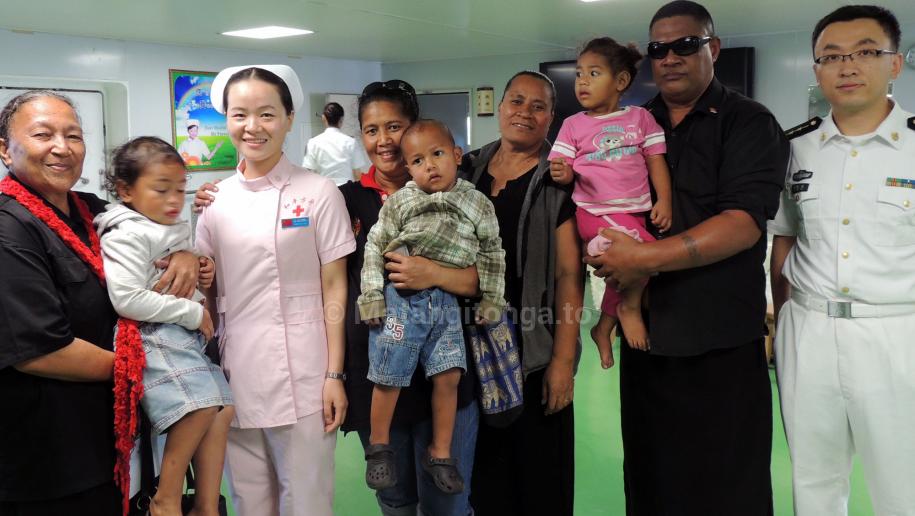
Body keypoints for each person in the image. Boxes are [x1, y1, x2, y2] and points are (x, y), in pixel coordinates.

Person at [584, 2, 789, 514]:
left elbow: (743, 224)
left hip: (720, 340)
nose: (670, 57)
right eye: (659, 49)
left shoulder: (749, 122)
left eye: (685, 45)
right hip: (648, 340)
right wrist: (611, 300)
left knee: (728, 486)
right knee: (652, 482)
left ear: (712, 49)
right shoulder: (631, 122)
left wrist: (643, 260)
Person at [0, 91, 200, 515]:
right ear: (5, 149)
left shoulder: (91, 210)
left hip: (111, 445)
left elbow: (154, 232)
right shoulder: (9, 230)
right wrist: (152, 369)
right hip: (50, 459)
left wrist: (189, 255)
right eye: (43, 134)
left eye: (73, 135)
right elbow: (41, 351)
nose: (62, 147)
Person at [769, 6, 915, 515]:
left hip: (898, 334)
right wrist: (778, 316)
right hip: (808, 331)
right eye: (831, 56)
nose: (848, 66)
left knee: (903, 483)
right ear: (816, 70)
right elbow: (784, 240)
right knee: (814, 479)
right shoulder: (795, 148)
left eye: (866, 52)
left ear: (895, 63)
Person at [194, 65, 354, 516]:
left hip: (304, 371)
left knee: (306, 501)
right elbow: (208, 291)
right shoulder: (214, 200)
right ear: (226, 120)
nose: (252, 127)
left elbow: (334, 285)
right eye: (239, 115)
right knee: (249, 500)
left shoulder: (319, 192)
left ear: (288, 118)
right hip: (235, 371)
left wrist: (334, 375)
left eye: (266, 114)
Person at [358, 119, 505, 495]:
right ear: (408, 168)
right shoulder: (402, 202)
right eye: (418, 160)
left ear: (457, 155)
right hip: (402, 300)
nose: (430, 166)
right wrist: (372, 295)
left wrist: (491, 298)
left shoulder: (476, 202)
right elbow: (375, 247)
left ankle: (440, 452)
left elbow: (491, 253)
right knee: (388, 372)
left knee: (449, 374)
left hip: (447, 304)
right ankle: (379, 446)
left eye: (437, 154)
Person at [462, 70, 583, 516]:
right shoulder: (467, 168)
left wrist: (563, 363)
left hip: (532, 353)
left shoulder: (558, 180)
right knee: (482, 481)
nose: (524, 113)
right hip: (471, 356)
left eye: (538, 106)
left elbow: (571, 276)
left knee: (538, 482)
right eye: (516, 101)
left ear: (552, 117)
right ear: (500, 106)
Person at [96, 136, 235, 516]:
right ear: (126, 190)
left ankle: (206, 504)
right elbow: (126, 299)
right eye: (161, 190)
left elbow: (180, 270)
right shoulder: (127, 232)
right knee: (199, 408)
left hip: (181, 335)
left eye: (180, 189)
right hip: (154, 335)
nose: (175, 200)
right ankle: (167, 497)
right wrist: (190, 312)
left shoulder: (163, 222)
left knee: (223, 409)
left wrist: (199, 262)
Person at [548, 36, 672, 363]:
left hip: (634, 213)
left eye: (593, 73)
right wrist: (563, 173)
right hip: (595, 212)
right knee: (643, 257)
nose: (582, 81)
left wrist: (665, 201)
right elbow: (562, 168)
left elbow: (656, 160)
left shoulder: (641, 119)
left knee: (639, 261)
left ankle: (604, 324)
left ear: (620, 81)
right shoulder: (573, 125)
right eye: (578, 74)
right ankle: (627, 310)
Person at [303, 102, 369, 185]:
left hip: (324, 191)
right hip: (347, 193)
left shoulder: (313, 143)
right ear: (341, 120)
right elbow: (357, 175)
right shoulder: (351, 142)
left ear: (323, 118)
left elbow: (308, 173)